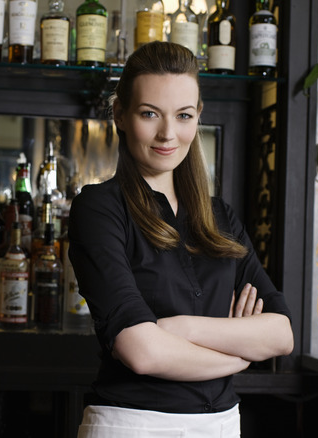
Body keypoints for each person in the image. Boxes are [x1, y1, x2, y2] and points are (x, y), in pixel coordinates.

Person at [67, 41, 294, 437]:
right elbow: (142, 352)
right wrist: (238, 355)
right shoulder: (99, 209)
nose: (168, 133)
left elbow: (280, 334)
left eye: (183, 115)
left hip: (222, 425)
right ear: (120, 113)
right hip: (134, 425)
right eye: (149, 113)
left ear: (198, 116)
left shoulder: (220, 217)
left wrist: (178, 329)